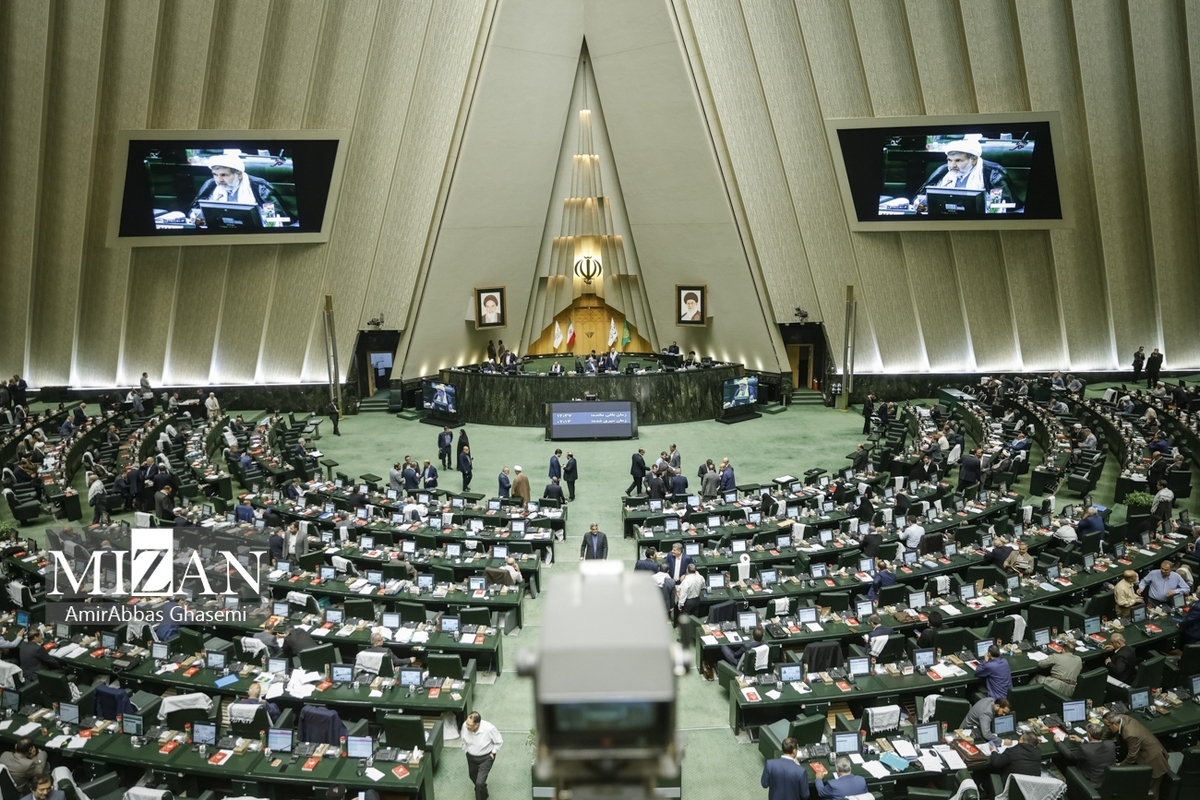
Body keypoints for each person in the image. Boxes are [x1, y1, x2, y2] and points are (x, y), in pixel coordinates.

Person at [189, 153, 289, 222]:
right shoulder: (210, 185)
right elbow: (195, 212)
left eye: (224, 175)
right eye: (215, 174)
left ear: (239, 174)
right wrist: (196, 218)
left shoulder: (259, 186)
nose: (219, 179)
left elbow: (279, 216)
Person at [1103, 710, 1169, 797]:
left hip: (1154, 761)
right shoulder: (1120, 718)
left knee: (1150, 792)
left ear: (1115, 724)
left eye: (1108, 726)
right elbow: (1111, 732)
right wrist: (1098, 740)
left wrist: (1120, 767)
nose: (1107, 728)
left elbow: (1132, 756)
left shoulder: (1131, 734)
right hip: (1143, 757)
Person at [1057, 722, 1117, 789]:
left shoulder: (1084, 749)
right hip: (1106, 779)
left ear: (1089, 735)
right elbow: (1095, 746)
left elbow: (1070, 755)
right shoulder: (1110, 744)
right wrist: (1082, 740)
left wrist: (1058, 742)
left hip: (1090, 782)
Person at [460, 711, 503, 800]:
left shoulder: (489, 728)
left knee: (479, 783)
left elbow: (499, 741)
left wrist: (493, 753)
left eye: (469, 725)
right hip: (471, 757)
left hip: (486, 758)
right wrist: (466, 751)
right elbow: (463, 739)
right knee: (473, 778)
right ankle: (484, 791)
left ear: (477, 725)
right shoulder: (465, 725)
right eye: (467, 723)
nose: (466, 726)